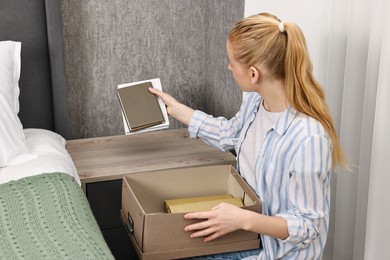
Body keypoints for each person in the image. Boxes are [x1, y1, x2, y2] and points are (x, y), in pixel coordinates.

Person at [149, 12, 349, 260]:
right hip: (248, 231)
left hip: (276, 252)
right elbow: (230, 132)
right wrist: (177, 110)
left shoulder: (308, 138)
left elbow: (308, 226)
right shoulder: (256, 101)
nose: (228, 67)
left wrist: (243, 219)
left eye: (232, 62)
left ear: (254, 74)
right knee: (167, 246)